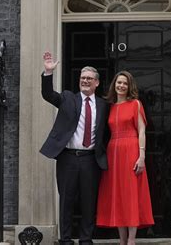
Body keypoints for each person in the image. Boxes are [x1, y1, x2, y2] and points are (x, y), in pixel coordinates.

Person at [39, 51, 109, 245]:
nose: (85, 81)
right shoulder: (68, 98)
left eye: (89, 78)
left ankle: (86, 239)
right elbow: (48, 94)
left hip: (91, 159)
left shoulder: (104, 105)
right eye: (82, 78)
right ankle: (66, 239)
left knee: (89, 201)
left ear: (96, 82)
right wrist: (48, 72)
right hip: (68, 157)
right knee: (66, 200)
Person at [96, 71, 154, 245]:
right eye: (119, 83)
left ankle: (131, 240)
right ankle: (122, 240)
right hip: (113, 151)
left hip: (131, 149)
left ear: (130, 87)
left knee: (130, 193)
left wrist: (141, 155)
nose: (121, 86)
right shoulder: (110, 107)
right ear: (114, 85)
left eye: (125, 84)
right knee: (118, 194)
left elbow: (142, 131)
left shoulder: (135, 104)